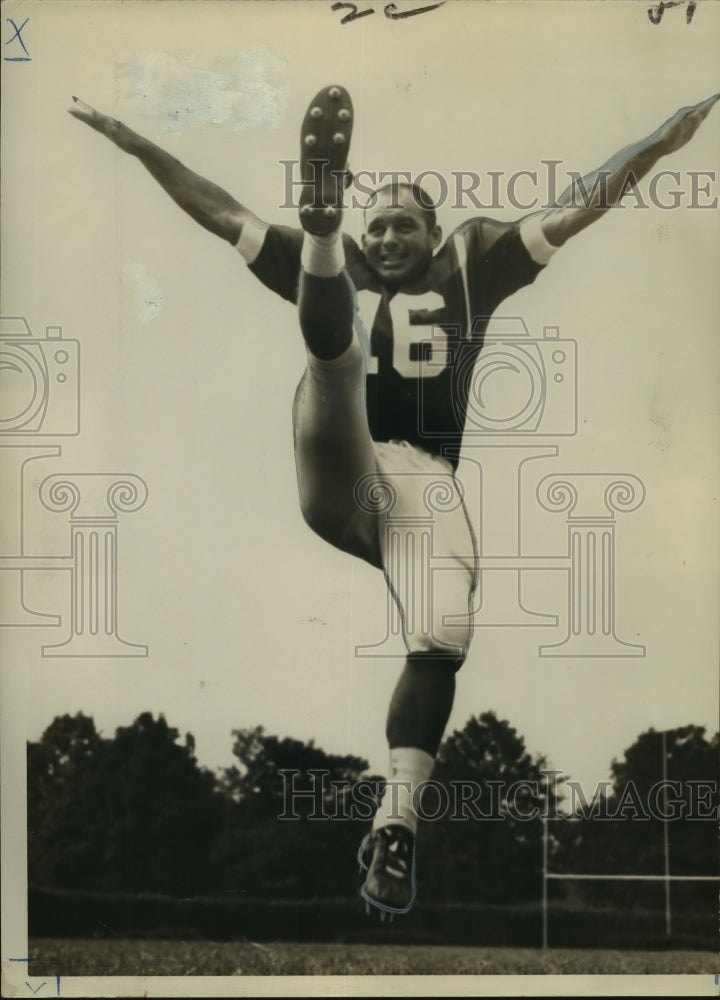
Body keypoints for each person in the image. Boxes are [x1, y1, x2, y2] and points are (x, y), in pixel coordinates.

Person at [70, 85, 717, 918]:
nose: (389, 236)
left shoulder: (476, 261)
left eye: (399, 223)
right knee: (335, 364)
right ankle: (319, 228)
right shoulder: (359, 270)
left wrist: (659, 145)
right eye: (374, 225)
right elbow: (218, 207)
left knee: (444, 636)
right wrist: (137, 144)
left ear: (434, 230)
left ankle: (397, 827)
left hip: (423, 481)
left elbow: (578, 200)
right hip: (342, 454)